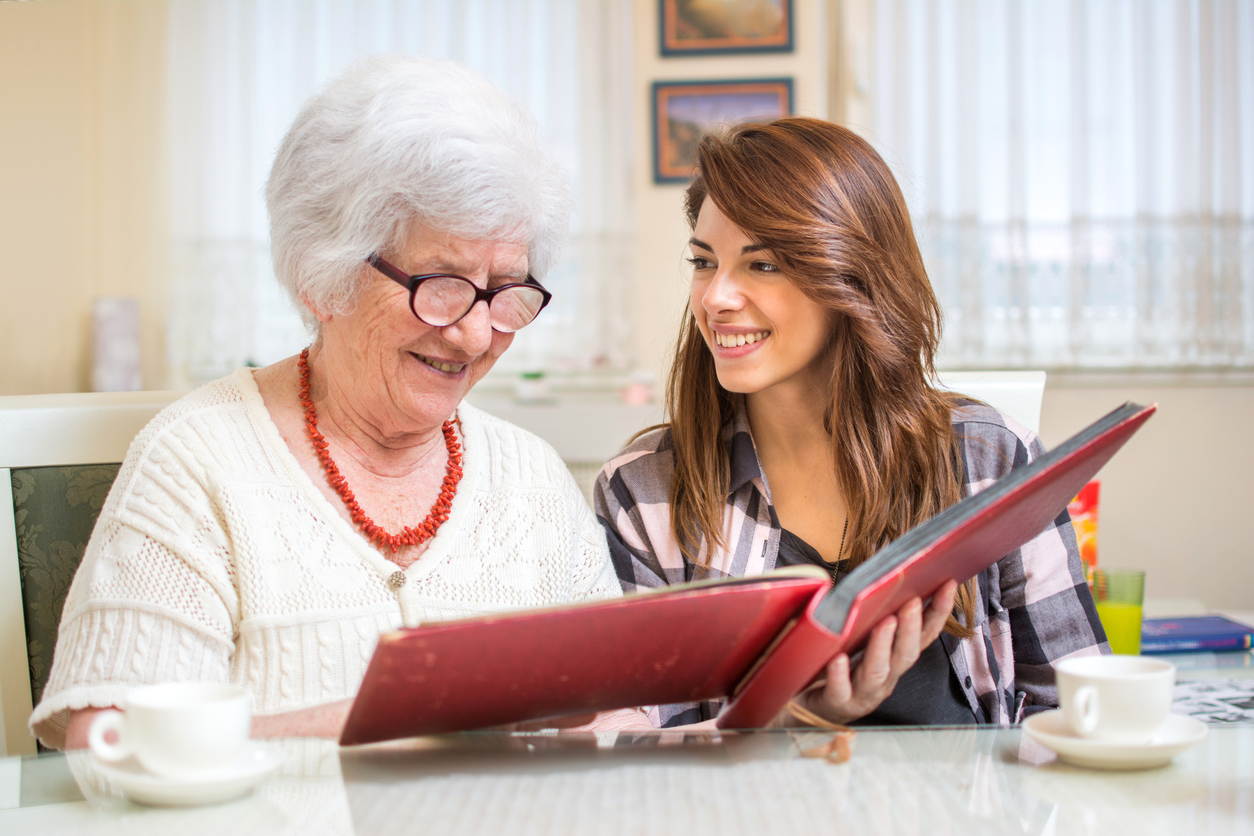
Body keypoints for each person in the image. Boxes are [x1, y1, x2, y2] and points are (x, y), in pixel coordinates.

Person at [31, 55, 643, 750]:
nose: (475, 333)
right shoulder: (197, 461)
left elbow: (619, 715)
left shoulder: (531, 478)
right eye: (440, 283)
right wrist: (419, 721)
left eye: (505, 289)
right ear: (324, 277)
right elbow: (108, 737)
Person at [595, 117, 1107, 729]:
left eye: (762, 265)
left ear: (851, 274)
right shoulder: (643, 492)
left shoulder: (993, 459)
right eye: (704, 262)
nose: (714, 298)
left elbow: (1079, 711)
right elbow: (633, 759)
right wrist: (787, 717)